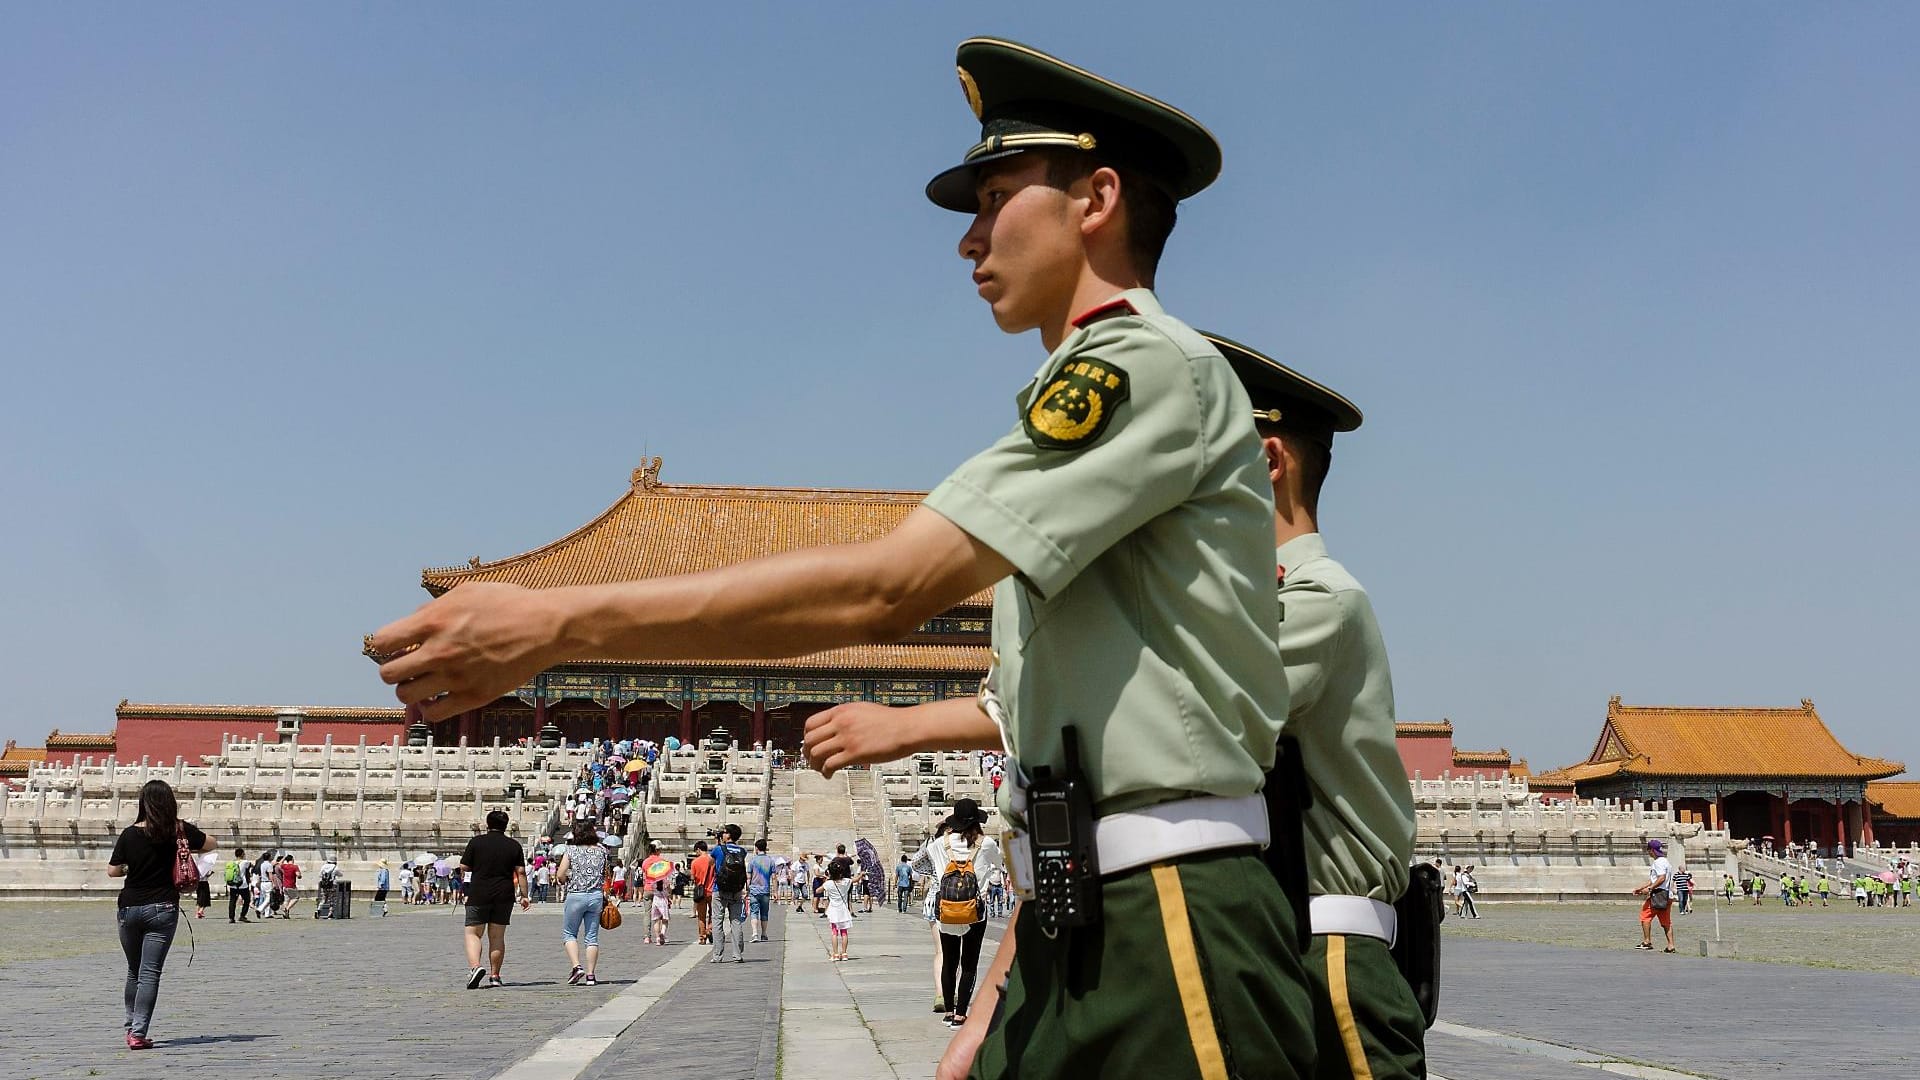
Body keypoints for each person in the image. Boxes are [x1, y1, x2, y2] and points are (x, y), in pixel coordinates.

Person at [369, 35, 1309, 1080]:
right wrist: (998, 992)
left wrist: (561, 618)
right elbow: (1051, 726)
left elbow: (889, 585)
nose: (970, 239)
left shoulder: (1139, 368)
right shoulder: (1092, 405)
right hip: (1080, 916)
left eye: (994, 196)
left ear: (1096, 197)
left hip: (1166, 920)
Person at [1196, 334, 1428, 1080]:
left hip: (1331, 956)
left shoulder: (1321, 600)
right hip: (1285, 948)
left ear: (1267, 461)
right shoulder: (1264, 600)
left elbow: (1200, 706)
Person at [107, 779, 217, 1049]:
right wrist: (183, 848)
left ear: (142, 803)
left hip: (129, 907)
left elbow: (112, 870)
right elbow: (211, 844)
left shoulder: (129, 834)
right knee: (150, 972)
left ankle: (130, 1026)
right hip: (163, 908)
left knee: (134, 971)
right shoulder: (178, 831)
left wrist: (129, 869)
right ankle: (138, 1032)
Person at [924, 799, 1002, 1029]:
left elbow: (927, 858)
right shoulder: (985, 844)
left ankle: (948, 1012)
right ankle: (960, 1015)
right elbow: (1000, 863)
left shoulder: (939, 844)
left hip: (946, 911)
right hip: (974, 912)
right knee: (969, 964)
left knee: (949, 961)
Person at [459, 809, 531, 988]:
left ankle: (475, 967)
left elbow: (464, 866)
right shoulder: (513, 845)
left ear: (487, 824)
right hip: (504, 894)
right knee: (497, 937)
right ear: (505, 826)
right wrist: (524, 895)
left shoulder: (476, 842)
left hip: (479, 892)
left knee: (473, 933)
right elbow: (520, 872)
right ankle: (495, 975)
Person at [556, 818, 610, 986]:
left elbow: (560, 874)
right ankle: (591, 975)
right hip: (595, 896)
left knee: (569, 933)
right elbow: (606, 874)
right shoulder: (601, 851)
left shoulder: (571, 850)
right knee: (591, 937)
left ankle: (576, 966)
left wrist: (565, 879)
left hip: (576, 895)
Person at [709, 824, 750, 964]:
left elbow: (711, 862)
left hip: (719, 889)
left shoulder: (718, 849)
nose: (722, 834)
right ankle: (737, 954)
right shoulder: (742, 851)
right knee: (736, 921)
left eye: (724, 833)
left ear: (729, 835)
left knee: (717, 921)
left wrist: (717, 843)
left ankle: (718, 955)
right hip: (736, 890)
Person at [1634, 839, 1675, 953]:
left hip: (1658, 895)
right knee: (1666, 921)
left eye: (1648, 850)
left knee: (1645, 916)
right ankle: (1671, 945)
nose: (1648, 852)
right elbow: (1655, 879)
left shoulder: (1658, 862)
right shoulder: (1666, 862)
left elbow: (1661, 878)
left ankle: (1647, 942)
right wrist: (1642, 888)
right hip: (1667, 895)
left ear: (1652, 850)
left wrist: (1650, 889)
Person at [822, 855, 854, 962]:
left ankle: (835, 954)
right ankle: (844, 953)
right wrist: (861, 874)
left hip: (834, 910)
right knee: (844, 932)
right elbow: (856, 879)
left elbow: (818, 890)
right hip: (843, 910)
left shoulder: (829, 884)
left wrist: (826, 880)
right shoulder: (846, 882)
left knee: (834, 932)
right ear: (840, 873)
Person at [747, 838, 780, 943]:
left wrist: (747, 890)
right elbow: (774, 878)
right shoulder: (770, 861)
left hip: (754, 890)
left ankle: (755, 933)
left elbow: (748, 877)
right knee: (764, 913)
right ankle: (764, 933)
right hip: (765, 890)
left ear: (756, 848)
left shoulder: (752, 861)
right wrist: (775, 891)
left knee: (754, 912)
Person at [688, 841, 713, 945]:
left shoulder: (695, 862)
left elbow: (692, 878)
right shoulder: (712, 860)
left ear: (698, 849)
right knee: (713, 914)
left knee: (701, 916)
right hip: (712, 891)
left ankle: (702, 937)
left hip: (700, 892)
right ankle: (710, 930)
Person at [225, 848, 252, 923]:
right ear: (242, 854)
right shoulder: (245, 862)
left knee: (232, 901)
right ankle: (242, 916)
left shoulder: (231, 863)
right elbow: (251, 866)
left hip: (233, 885)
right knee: (247, 900)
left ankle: (231, 918)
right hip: (243, 885)